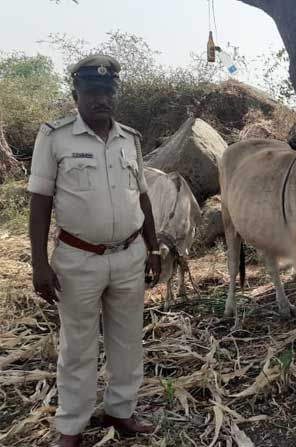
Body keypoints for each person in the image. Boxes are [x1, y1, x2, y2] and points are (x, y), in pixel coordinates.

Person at [27, 55, 161, 447]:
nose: (101, 99)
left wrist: (153, 248)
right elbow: (40, 202)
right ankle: (71, 426)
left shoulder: (129, 139)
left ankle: (121, 412)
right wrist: (38, 263)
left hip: (128, 257)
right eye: (93, 92)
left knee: (128, 340)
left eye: (108, 92)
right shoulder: (55, 136)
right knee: (78, 346)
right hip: (77, 260)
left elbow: (142, 197)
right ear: (77, 95)